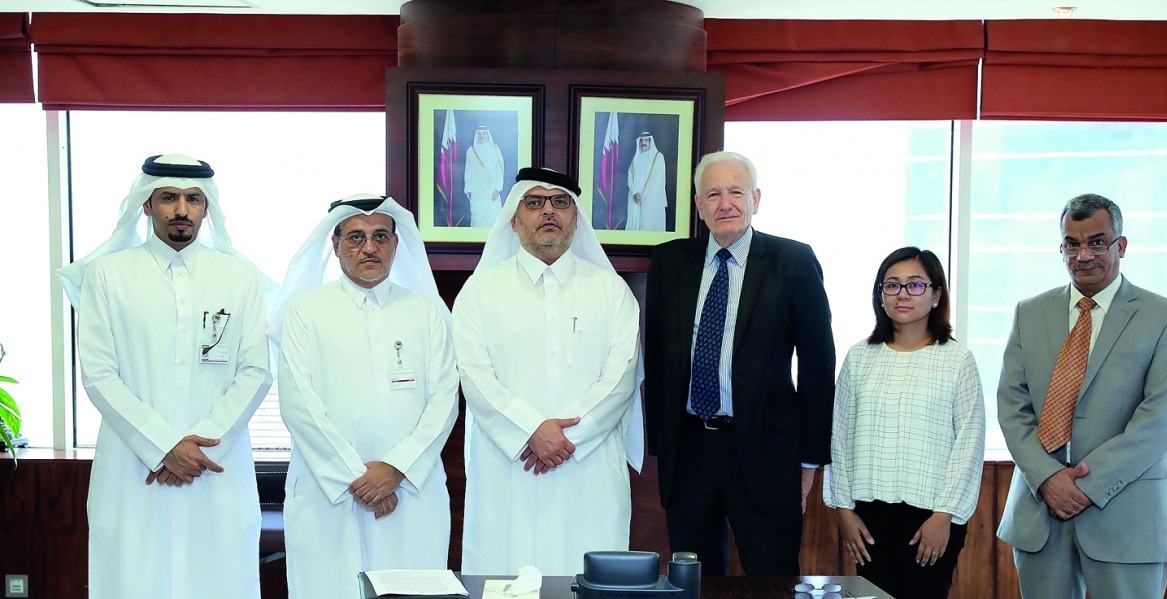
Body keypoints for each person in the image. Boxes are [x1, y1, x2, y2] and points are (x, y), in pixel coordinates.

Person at [58, 154, 271, 599]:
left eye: (193, 199)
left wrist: (200, 442)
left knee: (219, 579)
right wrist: (164, 446)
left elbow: (255, 371)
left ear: (207, 208)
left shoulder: (239, 276)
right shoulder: (107, 276)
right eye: (169, 197)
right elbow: (99, 374)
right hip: (133, 470)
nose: (181, 209)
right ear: (147, 205)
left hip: (216, 467)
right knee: (133, 579)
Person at [644, 150, 836, 575]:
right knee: (694, 581)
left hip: (767, 450)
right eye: (712, 194)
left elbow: (819, 366)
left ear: (756, 198)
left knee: (771, 578)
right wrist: (660, 443)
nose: (724, 203)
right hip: (690, 448)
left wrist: (809, 460)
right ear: (698, 205)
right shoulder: (671, 262)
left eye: (735, 191)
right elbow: (656, 359)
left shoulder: (793, 261)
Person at [996, 193, 1167, 599]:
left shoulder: (1166, 316)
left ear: (1121, 245)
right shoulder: (1029, 312)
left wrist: (1085, 486)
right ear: (1061, 247)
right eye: (1072, 243)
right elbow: (1012, 406)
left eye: (1097, 242)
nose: (1083, 255)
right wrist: (1048, 478)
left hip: (1126, 518)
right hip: (1040, 513)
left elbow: (1160, 417)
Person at [453, 167, 643, 576]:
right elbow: (474, 375)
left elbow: (622, 376)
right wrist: (530, 432)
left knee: (589, 576)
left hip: (587, 464)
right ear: (514, 218)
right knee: (505, 574)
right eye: (534, 202)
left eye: (560, 203)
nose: (548, 212)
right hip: (510, 463)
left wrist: (565, 438)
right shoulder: (480, 291)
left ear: (576, 218)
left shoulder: (611, 290)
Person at [270, 194, 458, 598]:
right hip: (329, 494)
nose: (368, 248)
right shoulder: (306, 311)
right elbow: (298, 403)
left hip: (410, 491)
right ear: (335, 245)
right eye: (355, 237)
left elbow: (445, 400)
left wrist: (394, 470)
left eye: (380, 237)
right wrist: (357, 478)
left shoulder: (425, 312)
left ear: (395, 244)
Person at [823, 247, 985, 599]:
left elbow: (969, 445)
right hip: (867, 517)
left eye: (915, 285)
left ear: (936, 293)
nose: (902, 294)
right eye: (892, 286)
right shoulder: (859, 357)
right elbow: (840, 436)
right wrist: (844, 511)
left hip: (931, 517)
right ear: (880, 295)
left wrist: (945, 516)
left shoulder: (957, 360)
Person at [464, 125, 506, 228]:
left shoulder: (495, 149)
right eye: (479, 134)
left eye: (484, 133)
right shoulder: (471, 151)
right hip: (476, 192)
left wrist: (498, 189)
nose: (482, 136)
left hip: (491, 191)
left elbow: (500, 171)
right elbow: (468, 171)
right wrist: (468, 189)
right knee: (477, 218)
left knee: (493, 217)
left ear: (488, 135)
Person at [626, 132, 668, 231]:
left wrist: (643, 196)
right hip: (635, 198)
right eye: (641, 140)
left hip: (651, 201)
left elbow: (657, 181)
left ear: (650, 141)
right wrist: (635, 193)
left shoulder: (658, 157)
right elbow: (630, 176)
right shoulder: (636, 158)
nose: (643, 143)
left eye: (646, 140)